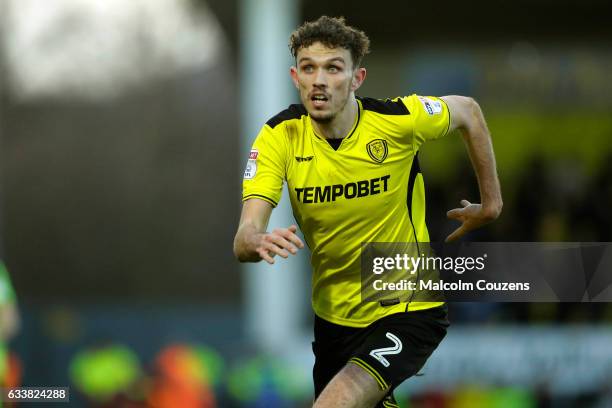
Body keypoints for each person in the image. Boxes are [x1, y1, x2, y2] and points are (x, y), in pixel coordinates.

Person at [233, 16, 502, 408]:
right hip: (333, 321)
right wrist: (254, 238)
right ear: (295, 76)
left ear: (357, 78)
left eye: (333, 68)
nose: (319, 80)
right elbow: (243, 237)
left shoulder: (396, 121)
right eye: (309, 68)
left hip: (407, 306)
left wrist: (491, 204)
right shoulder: (279, 136)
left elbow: (469, 112)